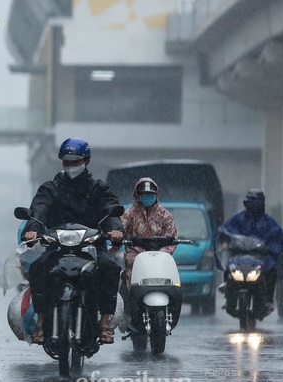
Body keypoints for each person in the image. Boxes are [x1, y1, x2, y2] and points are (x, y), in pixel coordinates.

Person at [21, 137, 124, 345]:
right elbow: (39, 210)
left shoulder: (98, 189)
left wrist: (115, 230)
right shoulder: (50, 188)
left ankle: (104, 323)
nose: (71, 166)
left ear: (86, 160)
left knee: (110, 268)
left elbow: (111, 209)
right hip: (57, 246)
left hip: (92, 245)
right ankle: (41, 322)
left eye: (75, 161)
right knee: (38, 268)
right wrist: (32, 229)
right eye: (67, 161)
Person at [218, 188, 283, 317]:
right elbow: (226, 229)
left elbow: (277, 233)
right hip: (239, 255)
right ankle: (229, 298)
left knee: (271, 271)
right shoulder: (238, 219)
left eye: (255, 204)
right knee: (229, 269)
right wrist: (225, 237)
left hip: (261, 257)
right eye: (250, 204)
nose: (252, 207)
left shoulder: (268, 222)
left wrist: (274, 243)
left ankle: (267, 300)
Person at [120, 178, 177, 323]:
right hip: (135, 255)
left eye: (150, 194)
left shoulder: (165, 215)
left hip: (159, 256)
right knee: (129, 268)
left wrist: (163, 253)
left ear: (156, 195)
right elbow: (120, 230)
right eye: (143, 194)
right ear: (136, 195)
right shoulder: (129, 214)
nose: (147, 197)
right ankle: (129, 306)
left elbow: (172, 237)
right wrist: (117, 236)